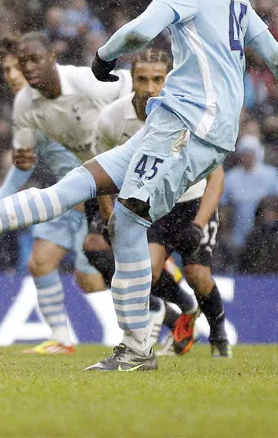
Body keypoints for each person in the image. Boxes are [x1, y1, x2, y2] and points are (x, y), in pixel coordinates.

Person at [0, 0, 278, 371]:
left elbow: (142, 29)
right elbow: (271, 52)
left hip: (190, 125)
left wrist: (104, 57)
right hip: (176, 124)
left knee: (126, 222)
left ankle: (137, 349)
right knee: (76, 185)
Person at [0, 41, 122, 355]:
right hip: (63, 200)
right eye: (7, 70)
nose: (13, 75)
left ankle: (150, 317)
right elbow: (23, 164)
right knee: (39, 263)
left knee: (90, 280)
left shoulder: (70, 93)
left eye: (18, 67)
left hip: (97, 197)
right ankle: (61, 339)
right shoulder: (26, 109)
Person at [86, 48, 231, 358]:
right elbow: (101, 173)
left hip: (193, 204)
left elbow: (216, 178)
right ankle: (182, 309)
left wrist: (198, 225)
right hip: (152, 207)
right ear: (132, 80)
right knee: (146, 272)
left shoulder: (192, 115)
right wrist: (110, 218)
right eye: (141, 79)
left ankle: (219, 334)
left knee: (198, 275)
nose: (149, 88)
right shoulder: (111, 119)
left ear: (169, 80)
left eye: (157, 80)